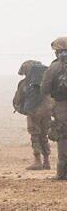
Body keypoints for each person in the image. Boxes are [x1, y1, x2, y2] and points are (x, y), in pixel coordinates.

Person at [14, 60, 53, 170]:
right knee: (44, 137)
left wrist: (24, 110)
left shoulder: (25, 84)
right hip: (47, 113)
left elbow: (17, 101)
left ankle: (37, 161)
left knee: (35, 136)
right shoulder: (46, 83)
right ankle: (46, 161)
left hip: (33, 113)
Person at [40, 37, 67, 180]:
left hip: (62, 106)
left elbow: (44, 88)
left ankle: (62, 174)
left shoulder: (55, 67)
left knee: (63, 138)